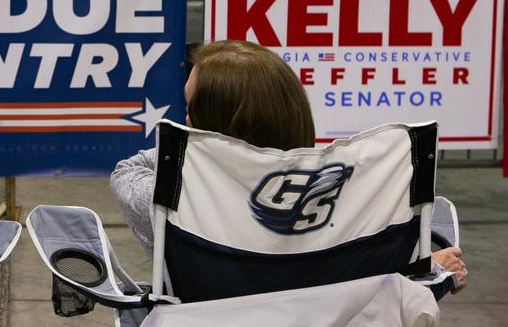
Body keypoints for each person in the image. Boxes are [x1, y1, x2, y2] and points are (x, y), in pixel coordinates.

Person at [110, 39, 468, 292]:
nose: (184, 117)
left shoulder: (173, 199)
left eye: (190, 110)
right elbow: (380, 293)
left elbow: (126, 171)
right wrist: (431, 269)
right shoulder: (360, 199)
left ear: (210, 127)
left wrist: (203, 155)